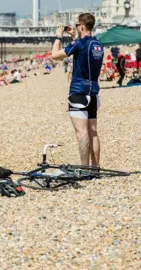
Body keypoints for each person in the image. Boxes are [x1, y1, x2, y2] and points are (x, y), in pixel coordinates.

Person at [51, 13, 103, 166]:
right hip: (93, 92)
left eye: (77, 25)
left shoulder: (80, 44)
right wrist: (75, 38)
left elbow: (55, 55)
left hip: (78, 91)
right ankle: (95, 167)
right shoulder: (98, 45)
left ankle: (84, 167)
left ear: (81, 26)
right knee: (93, 131)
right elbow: (83, 55)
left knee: (81, 133)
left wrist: (58, 37)